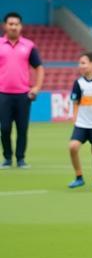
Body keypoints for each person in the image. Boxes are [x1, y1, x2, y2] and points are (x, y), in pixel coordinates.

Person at [0, 10, 44, 168]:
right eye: (11, 24)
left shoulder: (29, 46)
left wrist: (37, 87)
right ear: (5, 26)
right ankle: (6, 158)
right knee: (4, 128)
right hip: (3, 95)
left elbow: (39, 67)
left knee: (22, 129)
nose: (13, 27)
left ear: (21, 26)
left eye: (16, 24)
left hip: (23, 95)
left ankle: (20, 159)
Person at [67, 52, 92, 190]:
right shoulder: (78, 83)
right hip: (81, 123)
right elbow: (75, 101)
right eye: (80, 63)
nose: (81, 66)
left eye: (84, 63)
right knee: (73, 147)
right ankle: (79, 177)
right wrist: (74, 117)